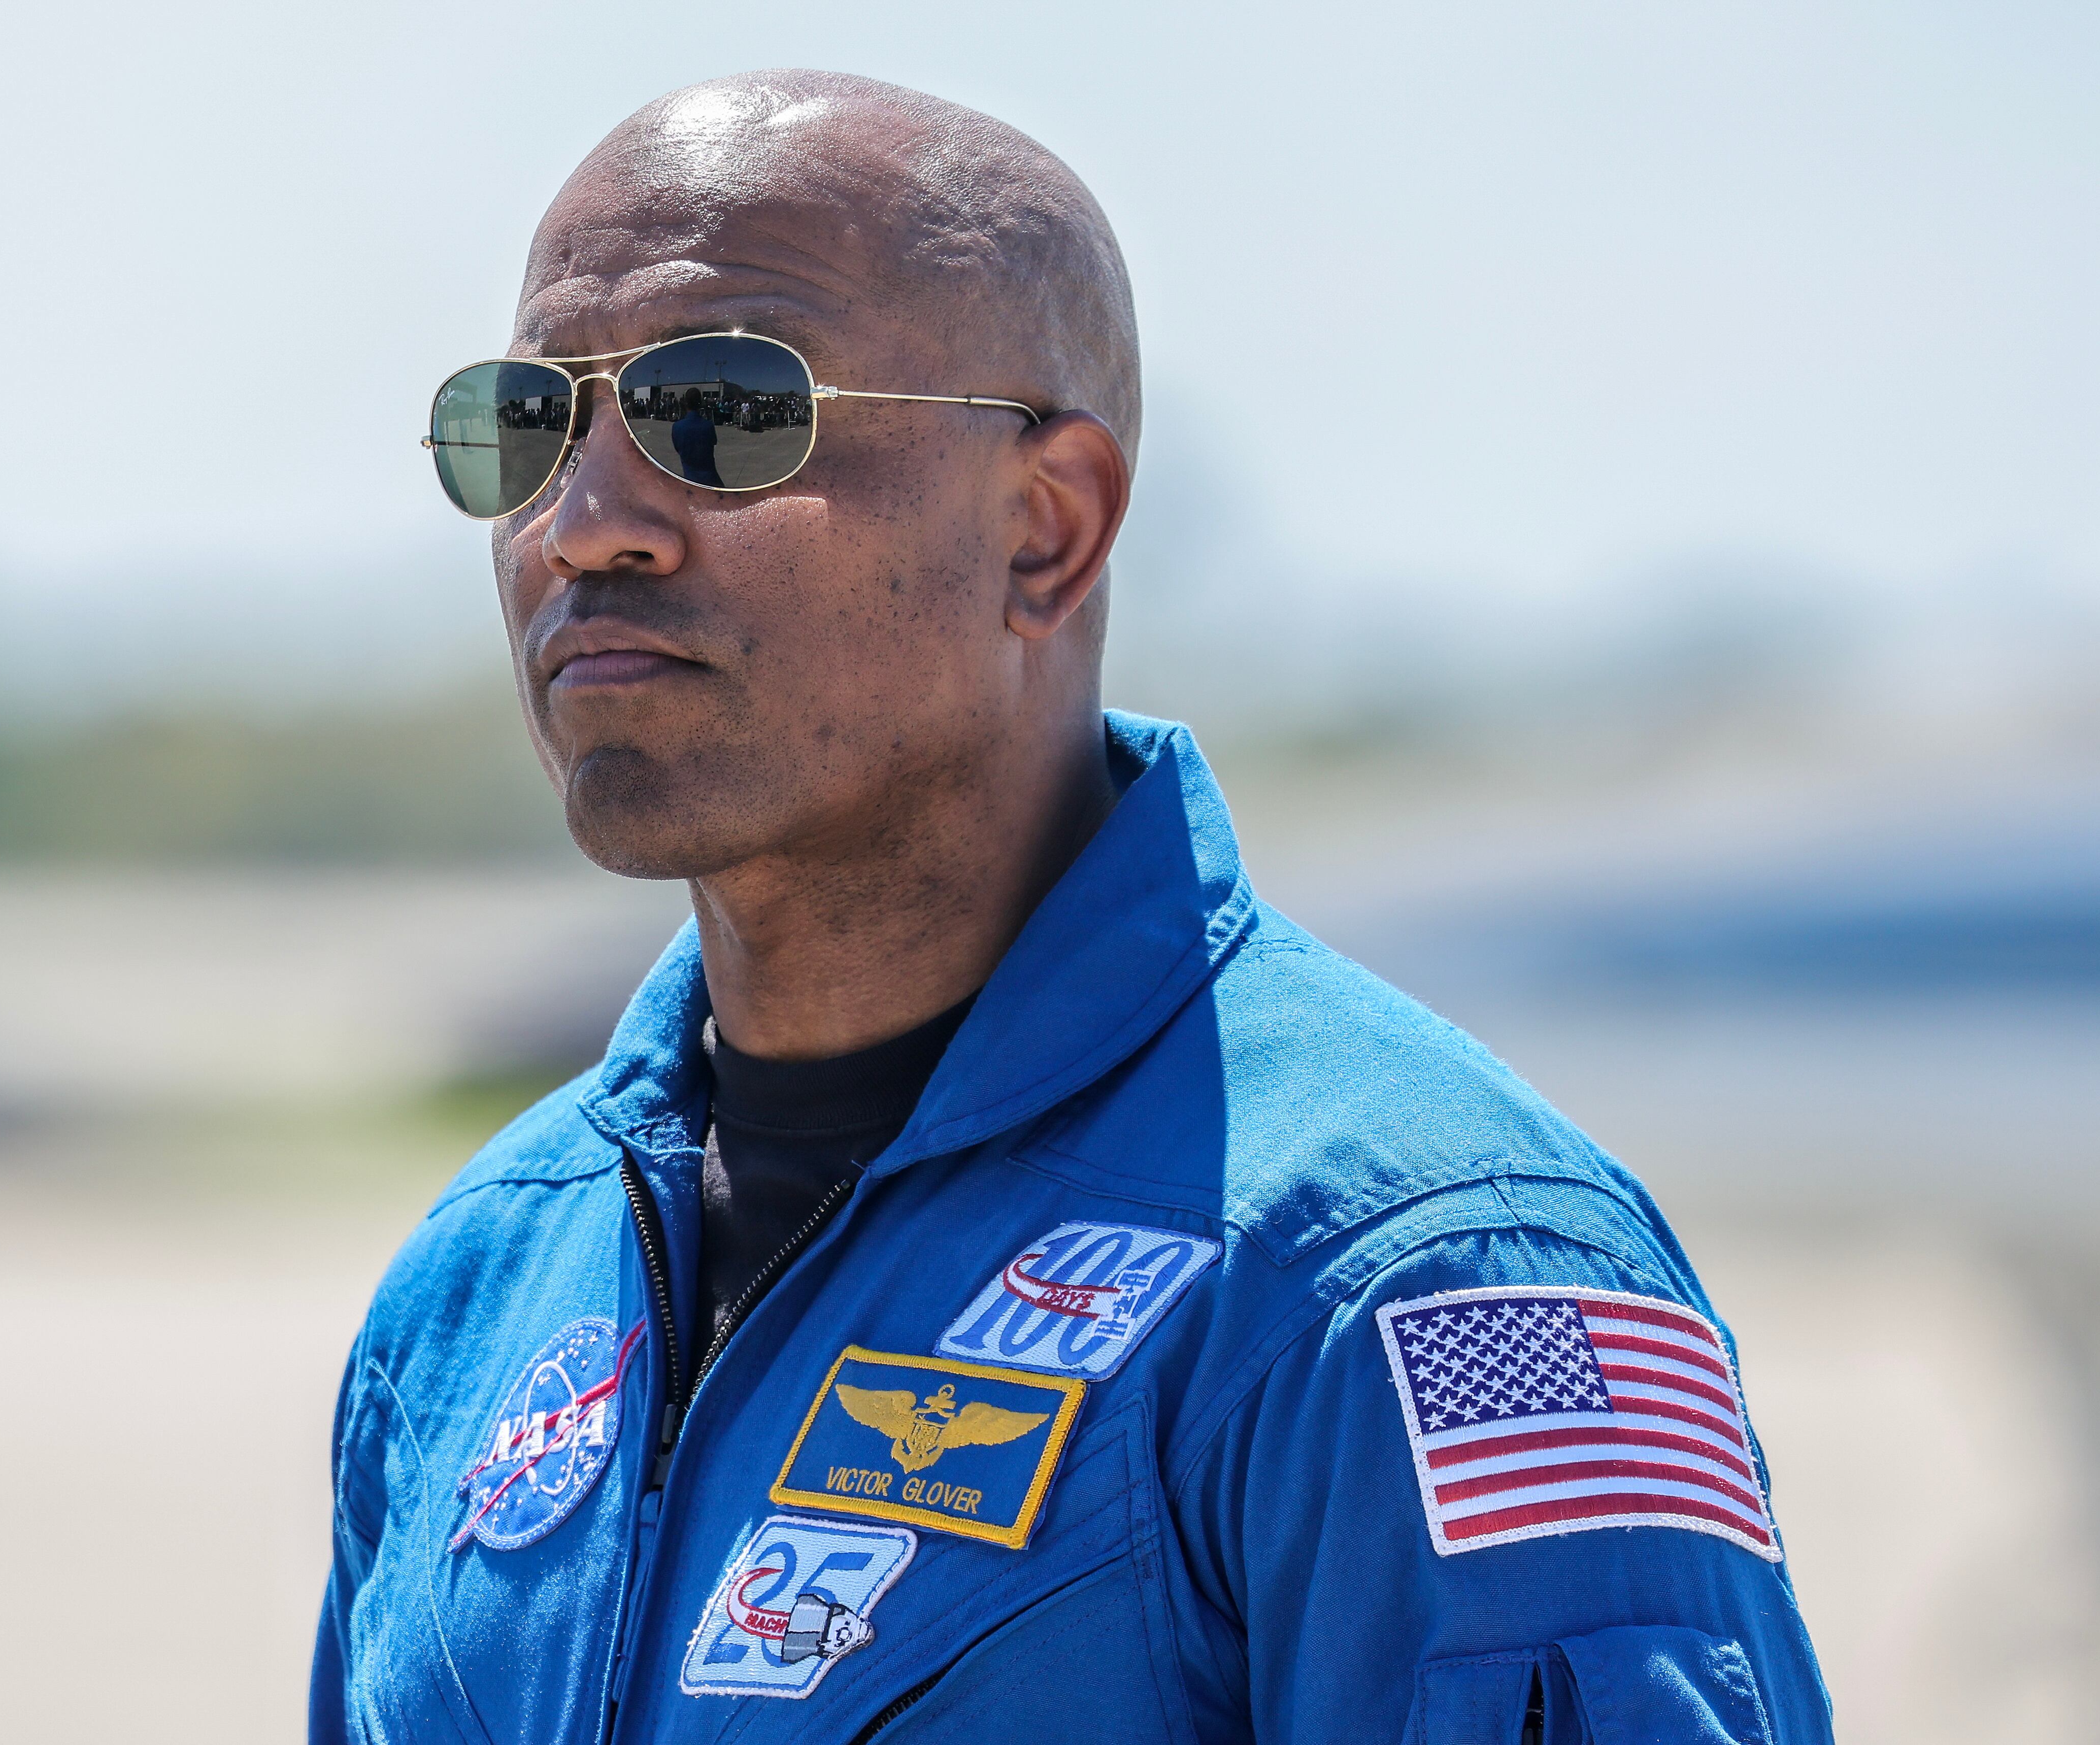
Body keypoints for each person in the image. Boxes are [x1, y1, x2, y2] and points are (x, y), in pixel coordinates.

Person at [318, 69, 1833, 1744]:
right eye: (528, 424)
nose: (585, 523)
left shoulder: (1431, 1285)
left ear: (1049, 526)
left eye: (724, 413)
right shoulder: (472, 1292)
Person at [667, 388, 723, 487]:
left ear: (686, 403)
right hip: (711, 480)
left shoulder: (677, 427)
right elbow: (712, 444)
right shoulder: (708, 426)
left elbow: (678, 448)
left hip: (690, 479)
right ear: (700, 403)